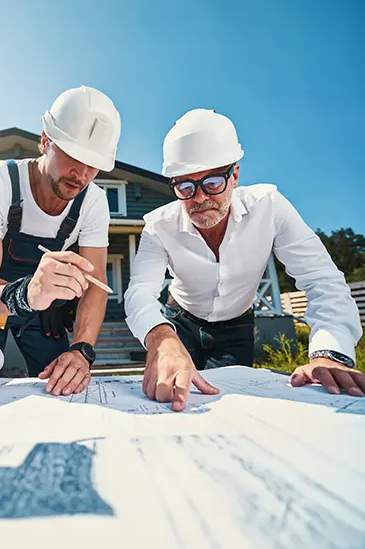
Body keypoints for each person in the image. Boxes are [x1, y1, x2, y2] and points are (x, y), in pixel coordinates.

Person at [124, 108, 364, 411]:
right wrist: (159, 337)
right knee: (172, 403)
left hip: (235, 326)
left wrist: (332, 352)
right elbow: (139, 291)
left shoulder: (271, 207)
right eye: (185, 186)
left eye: (212, 183)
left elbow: (321, 278)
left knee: (229, 408)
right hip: (178, 323)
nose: (199, 198)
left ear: (234, 175)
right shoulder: (158, 226)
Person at [0, 85, 121, 396]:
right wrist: (28, 293)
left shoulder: (94, 202)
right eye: (73, 155)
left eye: (93, 164)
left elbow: (97, 282)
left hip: (43, 314)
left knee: (62, 389)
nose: (81, 174)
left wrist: (82, 350)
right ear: (46, 140)